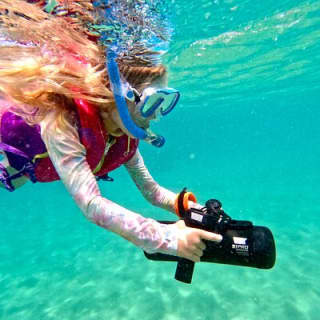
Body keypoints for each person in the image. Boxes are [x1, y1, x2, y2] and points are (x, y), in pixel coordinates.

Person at [0, 0, 222, 264]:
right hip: (13, 160)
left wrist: (182, 206)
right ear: (121, 93)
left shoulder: (123, 138)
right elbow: (92, 205)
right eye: (152, 101)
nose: (157, 115)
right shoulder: (61, 122)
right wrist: (168, 238)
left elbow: (152, 192)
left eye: (165, 102)